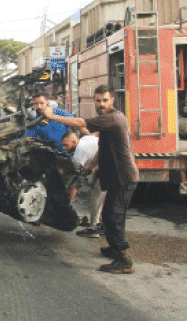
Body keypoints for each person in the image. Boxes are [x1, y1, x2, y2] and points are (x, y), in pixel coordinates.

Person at [42, 85, 139, 274]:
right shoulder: (108, 121)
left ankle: (125, 259)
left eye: (105, 100)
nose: (101, 104)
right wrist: (92, 166)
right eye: (98, 100)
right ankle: (114, 249)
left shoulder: (113, 118)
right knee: (110, 216)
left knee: (113, 217)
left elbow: (80, 122)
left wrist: (52, 115)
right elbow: (103, 147)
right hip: (116, 177)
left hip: (123, 178)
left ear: (112, 101)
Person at [61, 131, 106, 237]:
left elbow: (76, 183)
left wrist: (66, 204)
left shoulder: (79, 154)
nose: (64, 148)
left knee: (96, 197)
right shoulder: (84, 139)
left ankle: (94, 228)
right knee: (102, 198)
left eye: (66, 145)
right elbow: (97, 134)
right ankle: (103, 226)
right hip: (110, 164)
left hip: (110, 167)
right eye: (62, 145)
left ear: (74, 142)